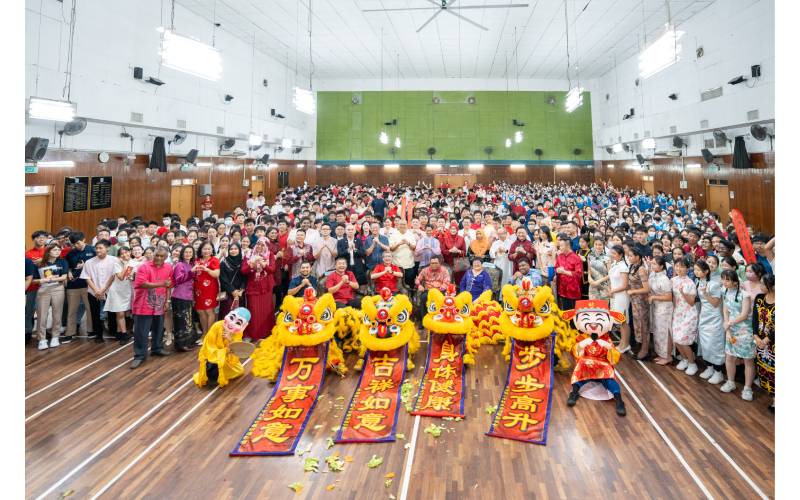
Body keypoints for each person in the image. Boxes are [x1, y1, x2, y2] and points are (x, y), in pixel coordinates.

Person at [131, 247, 173, 368]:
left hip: (159, 304)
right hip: (143, 304)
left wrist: (168, 300)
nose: (159, 258)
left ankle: (157, 348)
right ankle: (139, 355)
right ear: (153, 255)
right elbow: (142, 283)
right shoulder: (144, 267)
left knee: (159, 328)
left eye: (162, 256)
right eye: (157, 255)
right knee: (141, 332)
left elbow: (169, 285)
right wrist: (161, 284)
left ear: (166, 257)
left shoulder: (169, 267)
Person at [720, 269, 756, 401]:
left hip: (745, 331)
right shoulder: (724, 292)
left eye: (727, 279)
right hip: (731, 329)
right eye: (723, 279)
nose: (724, 282)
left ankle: (747, 388)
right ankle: (730, 382)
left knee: (748, 360)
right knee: (729, 357)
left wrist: (729, 323)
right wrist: (728, 330)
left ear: (735, 281)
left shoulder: (744, 295)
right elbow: (725, 311)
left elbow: (744, 315)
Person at [694, 259, 726, 384]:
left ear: (706, 271)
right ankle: (709, 368)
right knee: (705, 344)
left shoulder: (714, 284)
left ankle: (719, 372)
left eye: (698, 270)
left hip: (715, 317)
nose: (695, 272)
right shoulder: (698, 281)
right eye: (695, 269)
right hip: (704, 316)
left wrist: (706, 294)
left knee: (715, 344)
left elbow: (715, 303)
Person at [80, 240, 118, 343]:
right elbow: (87, 277)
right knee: (95, 314)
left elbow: (114, 275)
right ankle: (98, 334)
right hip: (93, 292)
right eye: (96, 248)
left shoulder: (114, 260)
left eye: (100, 248)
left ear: (107, 249)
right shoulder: (89, 262)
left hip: (110, 290)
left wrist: (103, 289)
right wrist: (96, 290)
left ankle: (113, 332)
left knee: (112, 313)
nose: (98, 250)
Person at [33, 243, 69, 350]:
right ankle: (42, 339)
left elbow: (64, 277)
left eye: (59, 250)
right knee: (42, 315)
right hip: (43, 289)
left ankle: (55, 337)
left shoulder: (63, 262)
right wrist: (43, 280)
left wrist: (51, 279)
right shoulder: (41, 263)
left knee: (57, 314)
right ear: (48, 251)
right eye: (55, 250)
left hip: (58, 289)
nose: (57, 252)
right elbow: (34, 280)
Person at [241, 237, 277, 342]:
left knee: (266, 310)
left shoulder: (269, 255)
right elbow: (243, 270)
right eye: (258, 244)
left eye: (263, 245)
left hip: (266, 286)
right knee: (253, 310)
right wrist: (252, 263)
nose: (260, 247)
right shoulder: (248, 254)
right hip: (253, 286)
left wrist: (263, 264)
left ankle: (266, 333)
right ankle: (252, 334)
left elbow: (272, 269)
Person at [64, 232, 95, 342]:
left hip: (89, 285)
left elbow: (98, 264)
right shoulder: (71, 253)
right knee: (72, 310)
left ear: (84, 239)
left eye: (78, 243)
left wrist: (85, 265)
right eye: (74, 244)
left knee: (90, 309)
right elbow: (66, 265)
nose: (77, 246)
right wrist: (68, 272)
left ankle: (91, 330)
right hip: (73, 285)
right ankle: (70, 332)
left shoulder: (93, 250)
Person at [671, 257, 699, 376]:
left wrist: (683, 293)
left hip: (689, 314)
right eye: (677, 266)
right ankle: (684, 359)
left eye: (682, 266)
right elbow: (673, 298)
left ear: (687, 269)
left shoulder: (690, 283)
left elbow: (692, 302)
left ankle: (692, 363)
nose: (679, 268)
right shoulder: (673, 280)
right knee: (676, 339)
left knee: (684, 340)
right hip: (678, 313)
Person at [753, 273, 775, 411]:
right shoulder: (759, 298)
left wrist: (767, 340)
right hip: (760, 342)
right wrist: (756, 336)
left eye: (763, 284)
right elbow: (755, 319)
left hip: (772, 344)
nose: (760, 286)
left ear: (772, 286)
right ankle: (773, 398)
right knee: (764, 371)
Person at [104, 246, 134, 344]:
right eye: (122, 254)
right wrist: (125, 266)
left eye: (126, 252)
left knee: (123, 313)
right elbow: (121, 277)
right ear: (119, 256)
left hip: (127, 291)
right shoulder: (117, 263)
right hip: (116, 291)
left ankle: (119, 332)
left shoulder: (134, 263)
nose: (125, 255)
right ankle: (124, 335)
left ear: (130, 252)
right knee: (120, 313)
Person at [647, 256, 673, 365]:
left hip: (665, 308)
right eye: (652, 263)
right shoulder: (653, 275)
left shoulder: (664, 279)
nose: (652, 265)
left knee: (664, 332)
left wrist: (654, 297)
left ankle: (668, 356)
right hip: (656, 307)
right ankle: (661, 354)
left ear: (662, 266)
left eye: (654, 264)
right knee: (657, 332)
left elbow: (669, 297)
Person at [171, 246, 197, 352]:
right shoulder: (179, 265)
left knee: (187, 320)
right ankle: (180, 344)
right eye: (186, 252)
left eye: (190, 252)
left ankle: (187, 342)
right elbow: (178, 279)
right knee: (181, 321)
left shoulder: (191, 264)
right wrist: (192, 272)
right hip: (179, 296)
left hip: (188, 295)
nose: (188, 254)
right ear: (182, 253)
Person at [193, 241, 221, 337]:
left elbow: (216, 274)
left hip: (210, 289)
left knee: (209, 311)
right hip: (197, 289)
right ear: (201, 250)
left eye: (209, 249)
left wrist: (207, 269)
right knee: (200, 311)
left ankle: (210, 335)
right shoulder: (196, 260)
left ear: (212, 250)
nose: (206, 251)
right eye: (204, 249)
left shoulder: (214, 260)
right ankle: (204, 334)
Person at [607, 245, 631, 353]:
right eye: (611, 253)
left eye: (614, 254)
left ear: (621, 255)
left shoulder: (623, 267)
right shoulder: (614, 264)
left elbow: (625, 285)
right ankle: (622, 342)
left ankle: (626, 344)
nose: (612, 255)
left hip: (622, 296)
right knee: (620, 321)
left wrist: (613, 291)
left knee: (623, 321)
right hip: (615, 296)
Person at [554, 233, 583, 311]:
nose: (559, 248)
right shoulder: (559, 256)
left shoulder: (576, 258)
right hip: (562, 289)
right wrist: (557, 270)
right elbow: (556, 268)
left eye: (561, 246)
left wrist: (564, 272)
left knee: (573, 312)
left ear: (567, 245)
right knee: (565, 311)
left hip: (573, 290)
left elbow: (578, 274)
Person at [218, 243, 247, 319]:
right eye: (231, 249)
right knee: (228, 314)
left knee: (239, 315)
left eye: (235, 249)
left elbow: (245, 277)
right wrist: (233, 291)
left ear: (239, 250)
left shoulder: (243, 262)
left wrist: (241, 290)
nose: (233, 251)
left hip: (240, 293)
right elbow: (223, 279)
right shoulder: (224, 263)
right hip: (228, 293)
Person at [389, 218, 418, 292]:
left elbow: (414, 247)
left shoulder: (410, 234)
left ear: (407, 225)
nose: (402, 226)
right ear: (398, 225)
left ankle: (410, 298)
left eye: (404, 224)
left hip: (409, 264)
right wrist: (399, 244)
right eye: (401, 224)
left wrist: (408, 243)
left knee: (409, 284)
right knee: (397, 284)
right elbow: (391, 248)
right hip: (396, 264)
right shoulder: (393, 235)